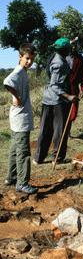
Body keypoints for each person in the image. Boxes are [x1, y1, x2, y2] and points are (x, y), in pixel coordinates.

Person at [33, 37, 78, 165]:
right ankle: (57, 158)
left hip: (47, 99)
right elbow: (54, 85)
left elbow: (64, 46)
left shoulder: (53, 56)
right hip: (58, 101)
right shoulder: (60, 64)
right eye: (68, 49)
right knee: (59, 130)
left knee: (45, 129)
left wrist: (72, 42)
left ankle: (38, 158)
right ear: (65, 50)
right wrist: (68, 96)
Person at [3, 43, 37, 194]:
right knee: (23, 152)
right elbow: (7, 82)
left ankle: (11, 177)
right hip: (20, 119)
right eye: (27, 58)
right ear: (20, 57)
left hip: (17, 118)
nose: (30, 62)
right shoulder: (18, 71)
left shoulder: (23, 71)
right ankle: (22, 183)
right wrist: (15, 97)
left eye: (32, 59)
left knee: (14, 149)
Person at [66, 37, 83, 132]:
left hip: (74, 89)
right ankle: (60, 132)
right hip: (62, 89)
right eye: (72, 45)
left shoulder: (79, 59)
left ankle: (67, 132)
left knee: (72, 112)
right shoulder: (62, 57)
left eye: (75, 45)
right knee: (61, 111)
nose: (74, 47)